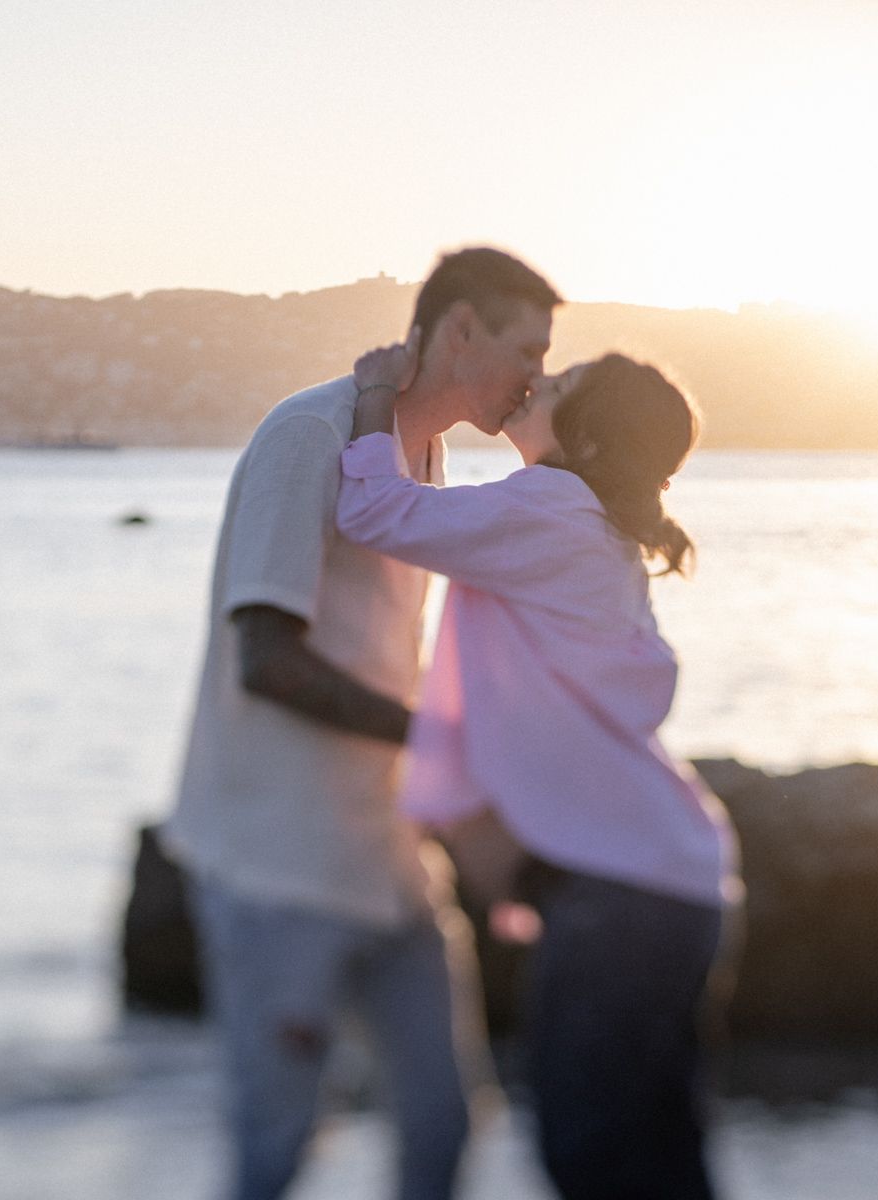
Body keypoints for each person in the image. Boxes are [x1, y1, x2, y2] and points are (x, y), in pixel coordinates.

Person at [162, 247, 562, 1200]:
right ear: (458, 331)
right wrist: (442, 740)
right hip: (278, 869)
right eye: (527, 351)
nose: (535, 378)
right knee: (277, 1151)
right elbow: (267, 660)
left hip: (389, 864)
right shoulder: (307, 435)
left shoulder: (419, 457)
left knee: (445, 1123)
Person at [337, 338, 742, 1200]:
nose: (536, 380)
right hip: (674, 886)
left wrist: (375, 395)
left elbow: (376, 513)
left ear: (589, 441)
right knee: (659, 1150)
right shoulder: (593, 530)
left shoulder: (550, 509)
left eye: (560, 385)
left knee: (588, 1150)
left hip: (622, 898)